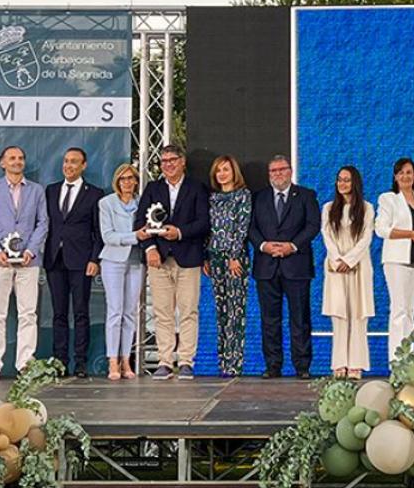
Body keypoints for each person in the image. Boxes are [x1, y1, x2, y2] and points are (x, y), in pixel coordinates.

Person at [137, 144, 210, 380]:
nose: (167, 165)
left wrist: (179, 232)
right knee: (162, 312)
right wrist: (149, 248)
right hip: (158, 258)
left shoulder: (197, 188)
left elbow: (203, 223)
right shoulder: (152, 188)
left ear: (182, 162)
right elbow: (140, 222)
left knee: (188, 311)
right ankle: (165, 361)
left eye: (172, 160)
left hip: (188, 257)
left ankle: (187, 360)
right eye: (163, 161)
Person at [0, 146, 50, 381]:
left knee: (28, 313)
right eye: (12, 158)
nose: (17, 162)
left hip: (29, 262)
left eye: (20, 158)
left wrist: (31, 250)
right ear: (2, 163)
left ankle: (25, 364)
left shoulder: (37, 191)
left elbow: (43, 223)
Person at [250, 155, 320, 379]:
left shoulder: (306, 196)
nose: (277, 174)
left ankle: (302, 366)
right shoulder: (258, 197)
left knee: (299, 318)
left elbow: (313, 226)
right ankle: (273, 365)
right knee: (269, 320)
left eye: (282, 170)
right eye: (273, 171)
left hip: (296, 265)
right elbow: (250, 228)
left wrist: (292, 246)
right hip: (266, 265)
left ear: (290, 171)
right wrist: (263, 246)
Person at [44, 147, 104, 378]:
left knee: (80, 312)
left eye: (74, 162)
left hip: (81, 260)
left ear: (83, 166)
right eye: (66, 161)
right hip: (55, 260)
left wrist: (94, 259)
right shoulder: (51, 190)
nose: (69, 166)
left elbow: (97, 231)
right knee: (58, 313)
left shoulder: (94, 193)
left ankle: (80, 362)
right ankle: (60, 362)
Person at [376, 158, 414, 365]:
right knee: (399, 309)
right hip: (397, 260)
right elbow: (381, 229)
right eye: (401, 173)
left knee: (410, 311)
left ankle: (408, 357)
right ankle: (395, 360)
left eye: (409, 172)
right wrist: (410, 234)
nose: (405, 176)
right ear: (395, 177)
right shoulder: (388, 199)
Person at [322, 166, 375, 379]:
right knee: (340, 315)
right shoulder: (328, 208)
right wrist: (338, 260)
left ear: (355, 183)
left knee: (358, 315)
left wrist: (350, 259)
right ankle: (339, 363)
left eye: (347, 180)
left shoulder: (367, 208)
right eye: (340, 180)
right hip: (336, 268)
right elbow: (327, 235)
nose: (343, 184)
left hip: (359, 266)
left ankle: (356, 364)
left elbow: (366, 238)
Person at [98, 163, 147, 380]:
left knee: (130, 312)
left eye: (131, 178)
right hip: (112, 260)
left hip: (137, 260)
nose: (127, 182)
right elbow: (108, 236)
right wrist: (135, 236)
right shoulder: (106, 203)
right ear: (117, 182)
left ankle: (127, 359)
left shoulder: (142, 204)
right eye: (123, 179)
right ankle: (112, 361)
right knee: (115, 311)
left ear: (136, 181)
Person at [206, 155, 252, 377]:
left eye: (226, 169)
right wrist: (206, 256)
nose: (222, 174)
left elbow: (241, 228)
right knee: (221, 310)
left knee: (235, 311)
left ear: (234, 172)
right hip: (215, 258)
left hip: (235, 258)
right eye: (218, 170)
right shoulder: (212, 198)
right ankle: (223, 361)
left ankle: (235, 363)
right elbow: (209, 230)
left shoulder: (243, 196)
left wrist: (234, 256)